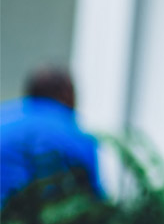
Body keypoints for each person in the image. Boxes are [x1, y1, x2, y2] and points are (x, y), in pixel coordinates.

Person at [1, 67, 105, 206]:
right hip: (26, 219)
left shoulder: (4, 115)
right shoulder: (75, 134)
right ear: (66, 94)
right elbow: (94, 201)